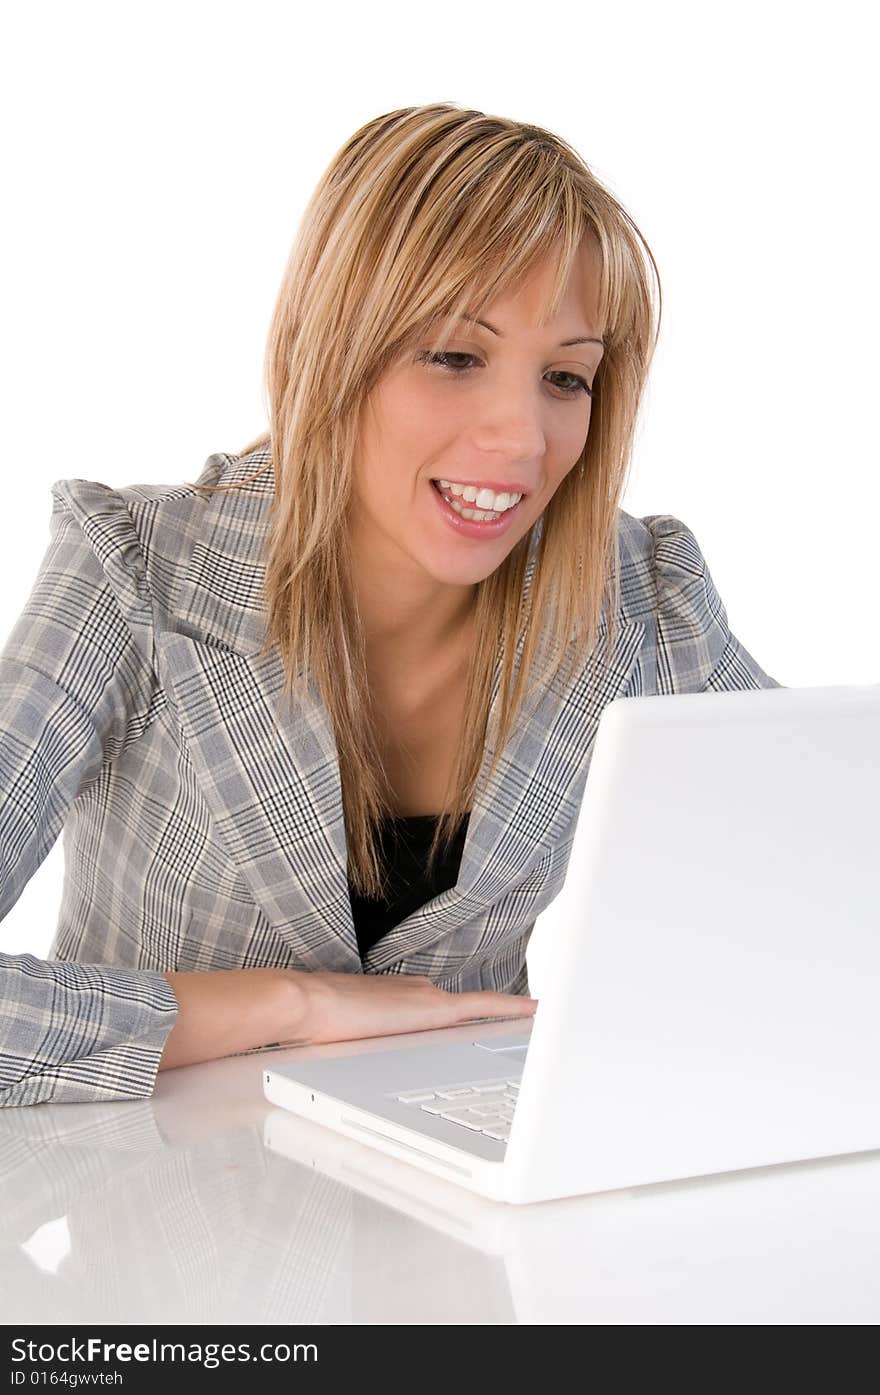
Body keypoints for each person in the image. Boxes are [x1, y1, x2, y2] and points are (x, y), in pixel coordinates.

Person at [0, 102, 781, 1107]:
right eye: (455, 357)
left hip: (482, 1246)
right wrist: (291, 1006)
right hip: (162, 1235)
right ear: (333, 347)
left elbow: (831, 870)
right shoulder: (134, 574)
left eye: (565, 378)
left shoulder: (642, 603)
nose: (523, 439)